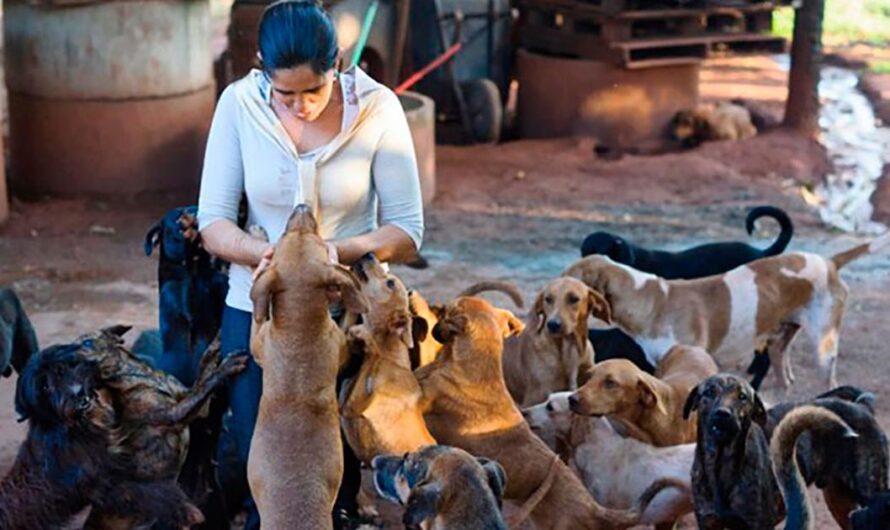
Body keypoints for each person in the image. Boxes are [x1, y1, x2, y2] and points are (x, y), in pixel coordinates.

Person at [195, 1, 424, 527]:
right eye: (286, 94)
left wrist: (326, 259)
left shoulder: (378, 108)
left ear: (337, 63)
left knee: (335, 488)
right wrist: (268, 256)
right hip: (256, 315)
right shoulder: (237, 105)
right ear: (260, 69)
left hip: (346, 318)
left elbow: (407, 231)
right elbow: (213, 223)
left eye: (314, 92)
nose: (299, 106)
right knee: (272, 488)